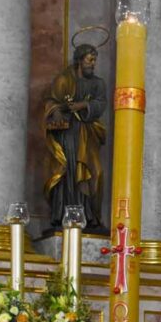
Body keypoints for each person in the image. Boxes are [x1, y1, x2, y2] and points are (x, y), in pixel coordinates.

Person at [43, 43, 107, 232]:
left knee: (94, 172)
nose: (93, 64)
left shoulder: (98, 83)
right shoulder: (64, 79)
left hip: (87, 132)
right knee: (68, 171)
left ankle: (90, 215)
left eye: (95, 60)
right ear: (79, 60)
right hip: (67, 133)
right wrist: (57, 112)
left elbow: (101, 103)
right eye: (90, 60)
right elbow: (51, 101)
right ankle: (64, 215)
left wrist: (83, 105)